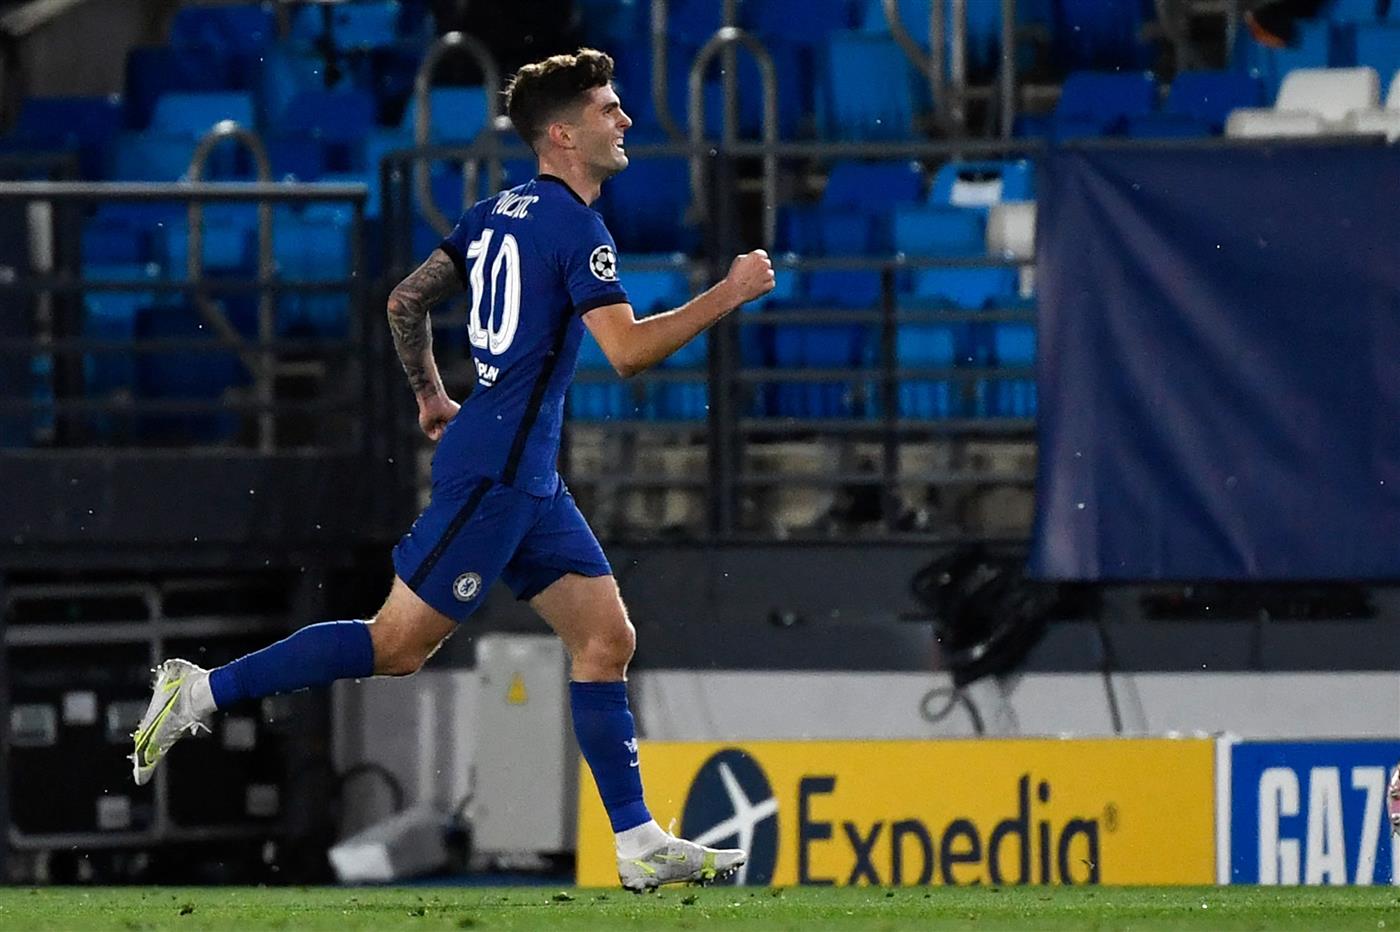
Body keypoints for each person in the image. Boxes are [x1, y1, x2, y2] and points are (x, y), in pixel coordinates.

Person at [129, 47, 775, 892]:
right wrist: (727, 294)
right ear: (562, 134)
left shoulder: (490, 213)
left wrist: (433, 396)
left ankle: (639, 840)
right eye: (608, 109)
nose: (624, 121)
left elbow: (404, 298)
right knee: (395, 647)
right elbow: (625, 353)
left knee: (605, 640)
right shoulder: (576, 227)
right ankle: (200, 691)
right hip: (498, 477)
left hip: (523, 472)